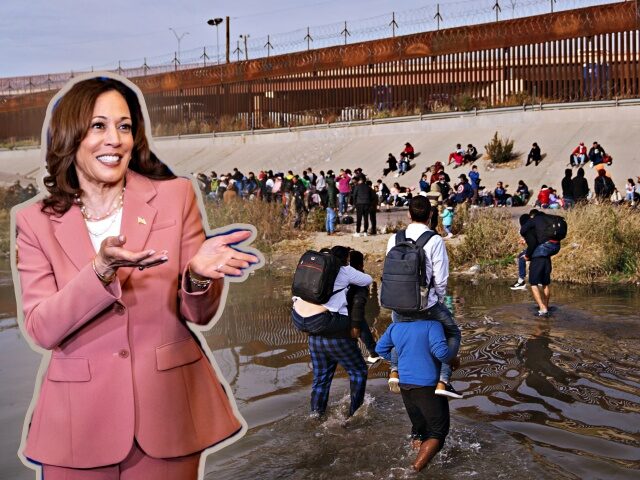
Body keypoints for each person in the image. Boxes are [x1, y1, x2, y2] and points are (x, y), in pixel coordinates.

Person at [13, 76, 261, 480]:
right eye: (99, 126)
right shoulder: (35, 221)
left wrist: (197, 276)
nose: (115, 139)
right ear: (70, 135)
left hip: (167, 413)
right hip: (77, 424)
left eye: (124, 126)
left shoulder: (175, 196)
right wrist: (100, 270)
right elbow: (42, 329)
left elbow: (197, 314)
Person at [384, 196, 462, 399]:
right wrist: (438, 299)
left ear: (408, 214)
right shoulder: (434, 239)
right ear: (430, 215)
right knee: (452, 333)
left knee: (397, 335)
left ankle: (394, 370)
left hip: (397, 303)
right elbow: (441, 277)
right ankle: (443, 381)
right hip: (425, 304)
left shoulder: (395, 238)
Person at [293, 246, 371, 417]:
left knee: (321, 379)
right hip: (336, 335)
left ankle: (315, 415)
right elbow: (367, 280)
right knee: (358, 371)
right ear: (346, 260)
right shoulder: (345, 271)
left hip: (312, 333)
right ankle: (354, 414)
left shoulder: (314, 272)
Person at [375, 313, 451, 472]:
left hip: (405, 385)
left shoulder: (395, 326)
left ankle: (415, 457)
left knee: (419, 428)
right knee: (438, 432)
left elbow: (380, 349)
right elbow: (442, 353)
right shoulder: (432, 325)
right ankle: (413, 470)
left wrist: (403, 359)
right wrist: (454, 359)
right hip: (427, 385)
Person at [519, 210, 561, 316]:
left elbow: (533, 244)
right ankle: (546, 306)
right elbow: (538, 241)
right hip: (547, 257)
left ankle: (542, 308)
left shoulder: (529, 228)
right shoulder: (543, 228)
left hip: (538, 258)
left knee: (533, 283)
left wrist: (527, 256)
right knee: (545, 283)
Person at [348, 250, 382, 364]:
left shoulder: (342, 274)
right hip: (357, 313)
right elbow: (358, 304)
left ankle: (372, 352)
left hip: (343, 311)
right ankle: (373, 353)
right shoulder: (361, 279)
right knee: (360, 324)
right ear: (361, 265)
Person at [510, 214, 539, 291]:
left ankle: (521, 281)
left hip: (538, 248)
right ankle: (537, 277)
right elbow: (535, 238)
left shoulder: (526, 228)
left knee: (521, 257)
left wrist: (527, 255)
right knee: (523, 255)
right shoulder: (535, 225)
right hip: (543, 247)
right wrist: (525, 240)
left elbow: (533, 243)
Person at [325, 170, 338, 235]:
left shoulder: (329, 187)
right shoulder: (332, 188)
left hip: (327, 205)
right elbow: (332, 198)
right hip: (331, 205)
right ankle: (332, 231)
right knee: (332, 218)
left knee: (328, 219)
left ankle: (328, 231)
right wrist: (334, 206)